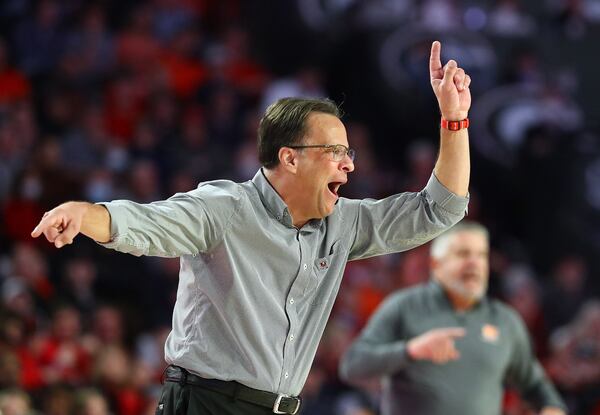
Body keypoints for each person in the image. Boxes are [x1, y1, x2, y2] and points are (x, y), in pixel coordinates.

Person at [31, 41, 471, 415]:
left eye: (349, 151)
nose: (350, 163)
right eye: (336, 150)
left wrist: (455, 122)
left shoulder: (344, 223)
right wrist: (84, 214)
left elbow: (439, 209)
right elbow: (148, 223)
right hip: (207, 403)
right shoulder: (225, 208)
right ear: (290, 158)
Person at [339, 221, 567, 415]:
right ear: (436, 265)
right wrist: (410, 350)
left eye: (481, 255)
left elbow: (535, 384)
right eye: (463, 254)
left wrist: (551, 407)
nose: (474, 263)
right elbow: (353, 365)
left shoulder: (505, 320)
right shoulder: (404, 306)